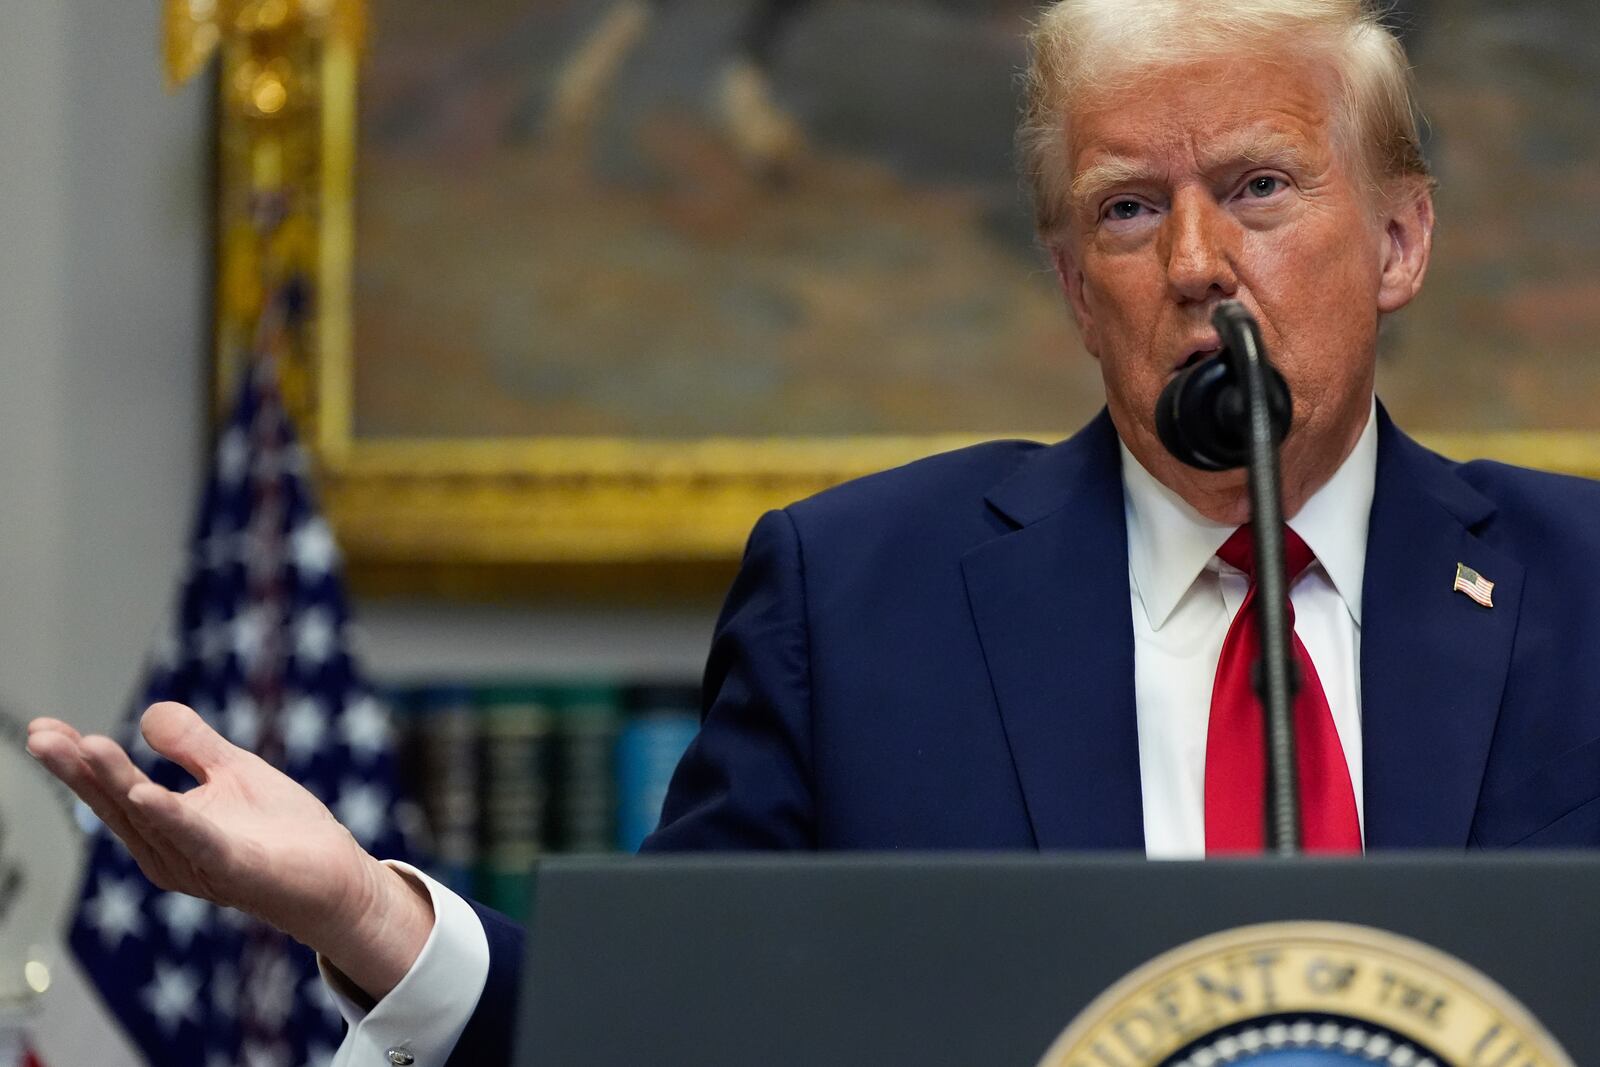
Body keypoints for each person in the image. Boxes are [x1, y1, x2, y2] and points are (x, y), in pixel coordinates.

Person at [28, 0, 1600, 1063]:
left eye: (1260, 187)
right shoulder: (863, 605)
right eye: (1128, 208)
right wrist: (366, 911)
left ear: (1398, 241)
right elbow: (669, 1032)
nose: (1195, 262)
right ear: (1070, 281)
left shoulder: (1581, 593)